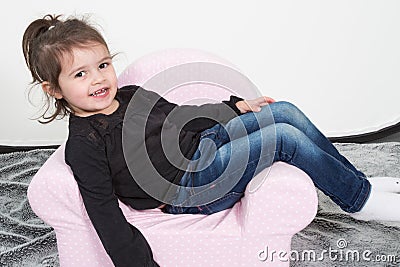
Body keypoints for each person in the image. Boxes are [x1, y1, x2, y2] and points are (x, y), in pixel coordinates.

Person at [22, 14, 400, 267]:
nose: (99, 79)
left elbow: (184, 116)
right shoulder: (85, 144)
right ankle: (360, 203)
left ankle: (359, 185)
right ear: (54, 89)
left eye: (103, 65)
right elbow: (103, 212)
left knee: (283, 111)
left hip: (201, 147)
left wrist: (236, 107)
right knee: (282, 138)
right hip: (188, 188)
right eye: (81, 74)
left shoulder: (133, 93)